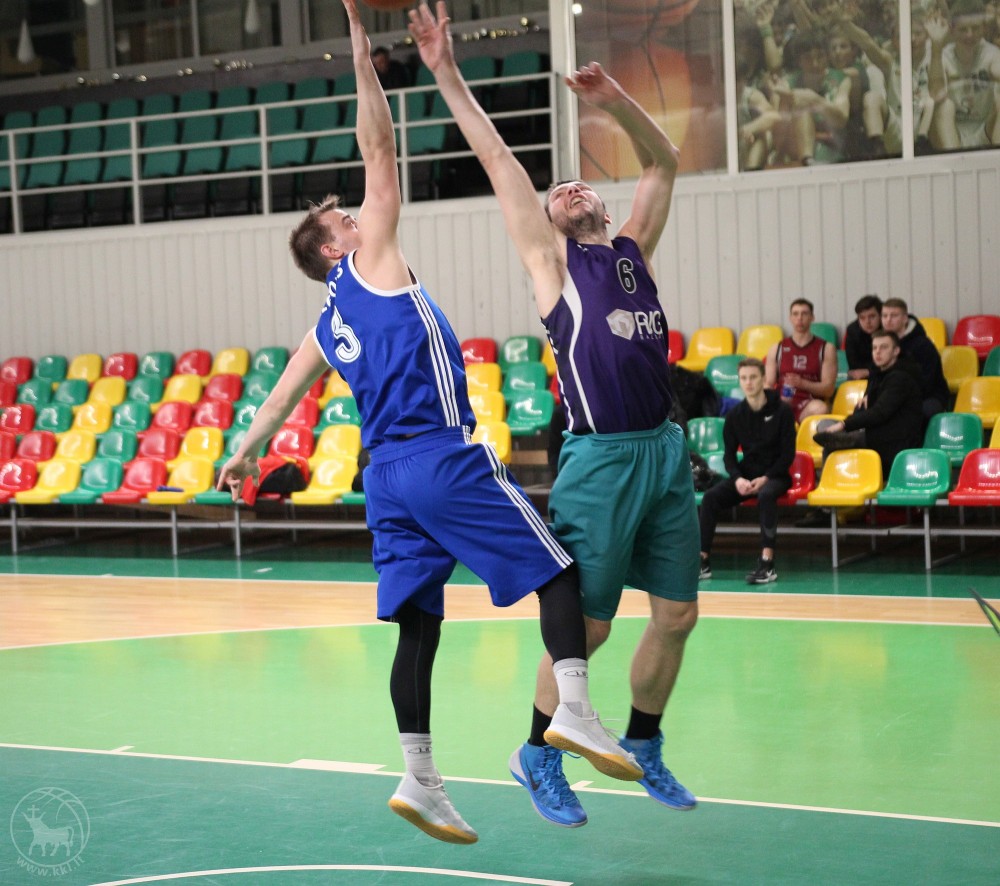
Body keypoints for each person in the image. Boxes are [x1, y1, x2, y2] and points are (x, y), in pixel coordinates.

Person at [217, 0, 642, 846]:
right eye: (342, 219)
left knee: (419, 627)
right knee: (560, 573)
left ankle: (420, 777)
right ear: (334, 248)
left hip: (385, 481)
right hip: (441, 458)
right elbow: (379, 148)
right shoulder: (371, 259)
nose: (356, 213)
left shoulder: (326, 324)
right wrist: (360, 50)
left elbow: (278, 401)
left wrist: (241, 456)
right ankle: (576, 709)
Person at [409, 1, 700, 829]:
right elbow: (499, 160)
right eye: (555, 193)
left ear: (600, 205)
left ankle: (644, 741)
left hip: (664, 450)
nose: (567, 189)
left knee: (677, 615)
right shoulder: (554, 266)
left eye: (578, 185)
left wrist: (615, 101)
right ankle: (537, 752)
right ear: (547, 223)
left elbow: (665, 160)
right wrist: (445, 72)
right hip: (601, 461)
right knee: (592, 627)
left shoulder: (633, 253)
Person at [698, 357, 796, 585]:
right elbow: (729, 456)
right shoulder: (735, 415)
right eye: (743, 378)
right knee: (711, 497)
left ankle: (767, 563)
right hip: (746, 476)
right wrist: (738, 479)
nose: (748, 382)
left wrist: (766, 478)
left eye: (753, 377)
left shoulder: (782, 411)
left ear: (763, 379)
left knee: (766, 495)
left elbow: (787, 455)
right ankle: (702, 561)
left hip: (776, 476)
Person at [813, 329, 924, 475]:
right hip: (874, 432)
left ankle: (831, 475)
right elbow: (863, 410)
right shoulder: (878, 375)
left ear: (896, 351)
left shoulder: (900, 377)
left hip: (894, 440)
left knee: (831, 443)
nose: (878, 352)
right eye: (874, 348)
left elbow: (879, 413)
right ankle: (844, 440)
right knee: (825, 424)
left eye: (884, 347)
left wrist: (844, 424)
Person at [926, 0, 1000, 150]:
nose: (969, 35)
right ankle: (955, 158)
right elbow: (936, 94)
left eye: (975, 28)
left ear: (984, 28)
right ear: (952, 30)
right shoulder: (942, 55)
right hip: (950, 130)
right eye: (963, 29)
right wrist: (936, 46)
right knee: (944, 106)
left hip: (984, 129)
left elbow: (996, 69)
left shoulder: (992, 54)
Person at [765, 298, 838, 422]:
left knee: (821, 408)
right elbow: (769, 384)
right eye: (795, 314)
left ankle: (796, 427)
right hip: (783, 400)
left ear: (812, 317)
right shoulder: (777, 348)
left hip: (809, 403)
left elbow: (828, 390)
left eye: (804, 313)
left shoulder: (826, 348)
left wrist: (802, 383)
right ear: (790, 318)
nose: (799, 318)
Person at [879, 297, 948, 419]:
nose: (888, 320)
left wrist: (899, 399)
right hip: (895, 396)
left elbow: (927, 382)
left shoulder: (923, 345)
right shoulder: (879, 343)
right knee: (862, 409)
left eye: (894, 315)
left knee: (909, 415)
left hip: (929, 397)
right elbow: (876, 376)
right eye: (884, 316)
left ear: (905, 318)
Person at [844, 293, 883, 380]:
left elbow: (893, 363)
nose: (867, 322)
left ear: (880, 315)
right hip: (860, 374)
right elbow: (853, 364)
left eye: (872, 316)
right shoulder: (852, 331)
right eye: (862, 318)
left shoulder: (888, 329)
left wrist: (869, 371)